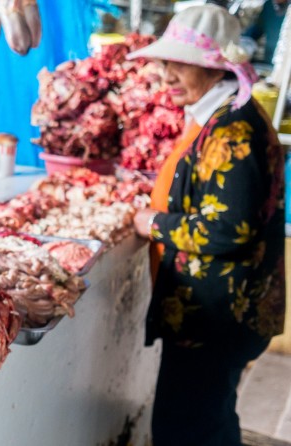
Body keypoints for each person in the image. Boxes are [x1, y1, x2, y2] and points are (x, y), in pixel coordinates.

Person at [128, 5, 285, 445]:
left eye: (182, 63)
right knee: (209, 422)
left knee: (185, 430)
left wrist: (154, 222)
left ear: (217, 70)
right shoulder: (221, 116)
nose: (167, 73)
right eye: (166, 62)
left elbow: (228, 229)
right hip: (219, 313)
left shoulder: (232, 131)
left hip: (219, 317)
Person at [243, 0, 289, 64]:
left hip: (286, 62)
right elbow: (258, 28)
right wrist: (243, 41)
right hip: (270, 59)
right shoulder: (269, 5)